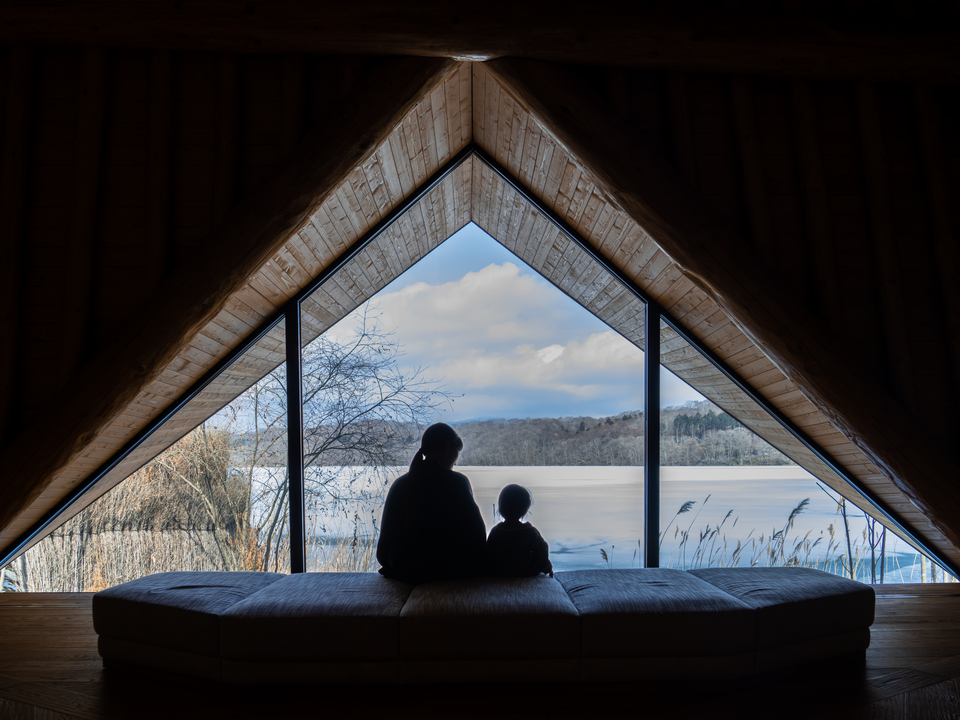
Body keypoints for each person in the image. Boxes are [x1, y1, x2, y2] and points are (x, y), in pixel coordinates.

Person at [376, 423, 487, 583]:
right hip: (451, 574)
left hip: (404, 572)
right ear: (448, 447)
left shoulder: (400, 484)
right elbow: (478, 539)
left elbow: (383, 552)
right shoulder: (458, 482)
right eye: (457, 453)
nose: (456, 462)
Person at [486, 484, 553, 578]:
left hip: (500, 572)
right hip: (526, 572)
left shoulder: (495, 531)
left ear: (500, 508)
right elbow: (542, 550)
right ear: (525, 510)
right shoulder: (530, 532)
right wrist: (547, 568)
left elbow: (489, 553)